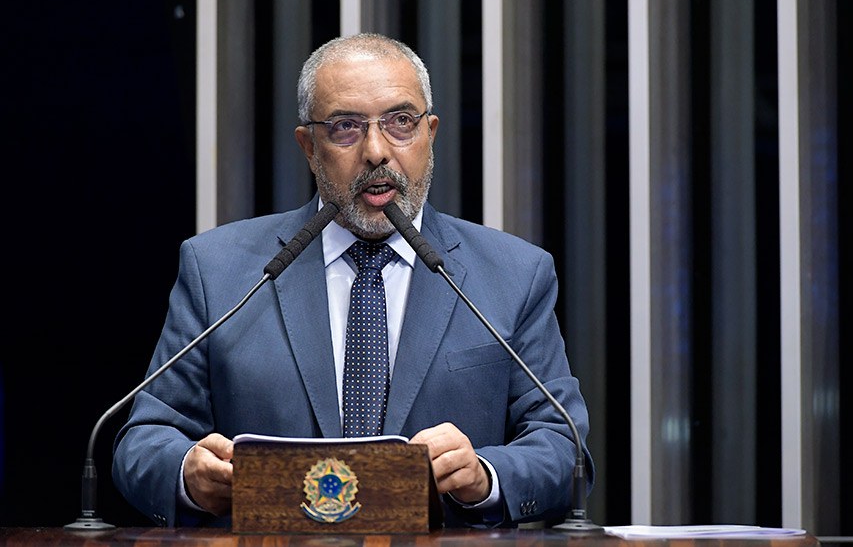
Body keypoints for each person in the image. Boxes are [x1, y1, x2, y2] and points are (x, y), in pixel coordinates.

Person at [112, 32, 594, 528]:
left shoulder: (514, 274)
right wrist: (187, 474)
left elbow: (563, 446)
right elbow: (143, 440)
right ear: (308, 145)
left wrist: (486, 477)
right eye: (346, 127)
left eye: (401, 123)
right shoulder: (218, 269)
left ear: (431, 133)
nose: (376, 151)